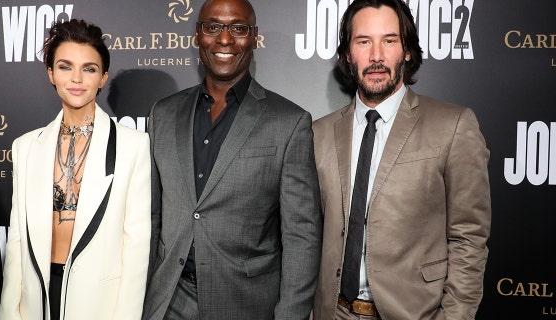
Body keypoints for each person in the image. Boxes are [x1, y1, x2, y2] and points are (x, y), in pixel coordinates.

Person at [142, 0, 322, 319]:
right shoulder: (163, 113)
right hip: (168, 301)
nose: (225, 40)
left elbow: (301, 236)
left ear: (254, 37)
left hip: (246, 305)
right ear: (198, 34)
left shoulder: (288, 122)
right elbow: (151, 219)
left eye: (238, 28)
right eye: (213, 27)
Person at [311, 0, 491, 319]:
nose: (377, 55)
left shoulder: (453, 125)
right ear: (348, 54)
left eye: (390, 40)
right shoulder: (318, 134)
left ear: (407, 51)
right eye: (363, 41)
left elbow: (468, 236)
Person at [0, 19, 151, 320]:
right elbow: (17, 241)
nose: (77, 79)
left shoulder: (134, 146)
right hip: (36, 302)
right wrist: (8, 312)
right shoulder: (25, 147)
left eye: (89, 69)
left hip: (99, 306)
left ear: (103, 77)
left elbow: (136, 249)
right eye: (66, 67)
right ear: (51, 74)